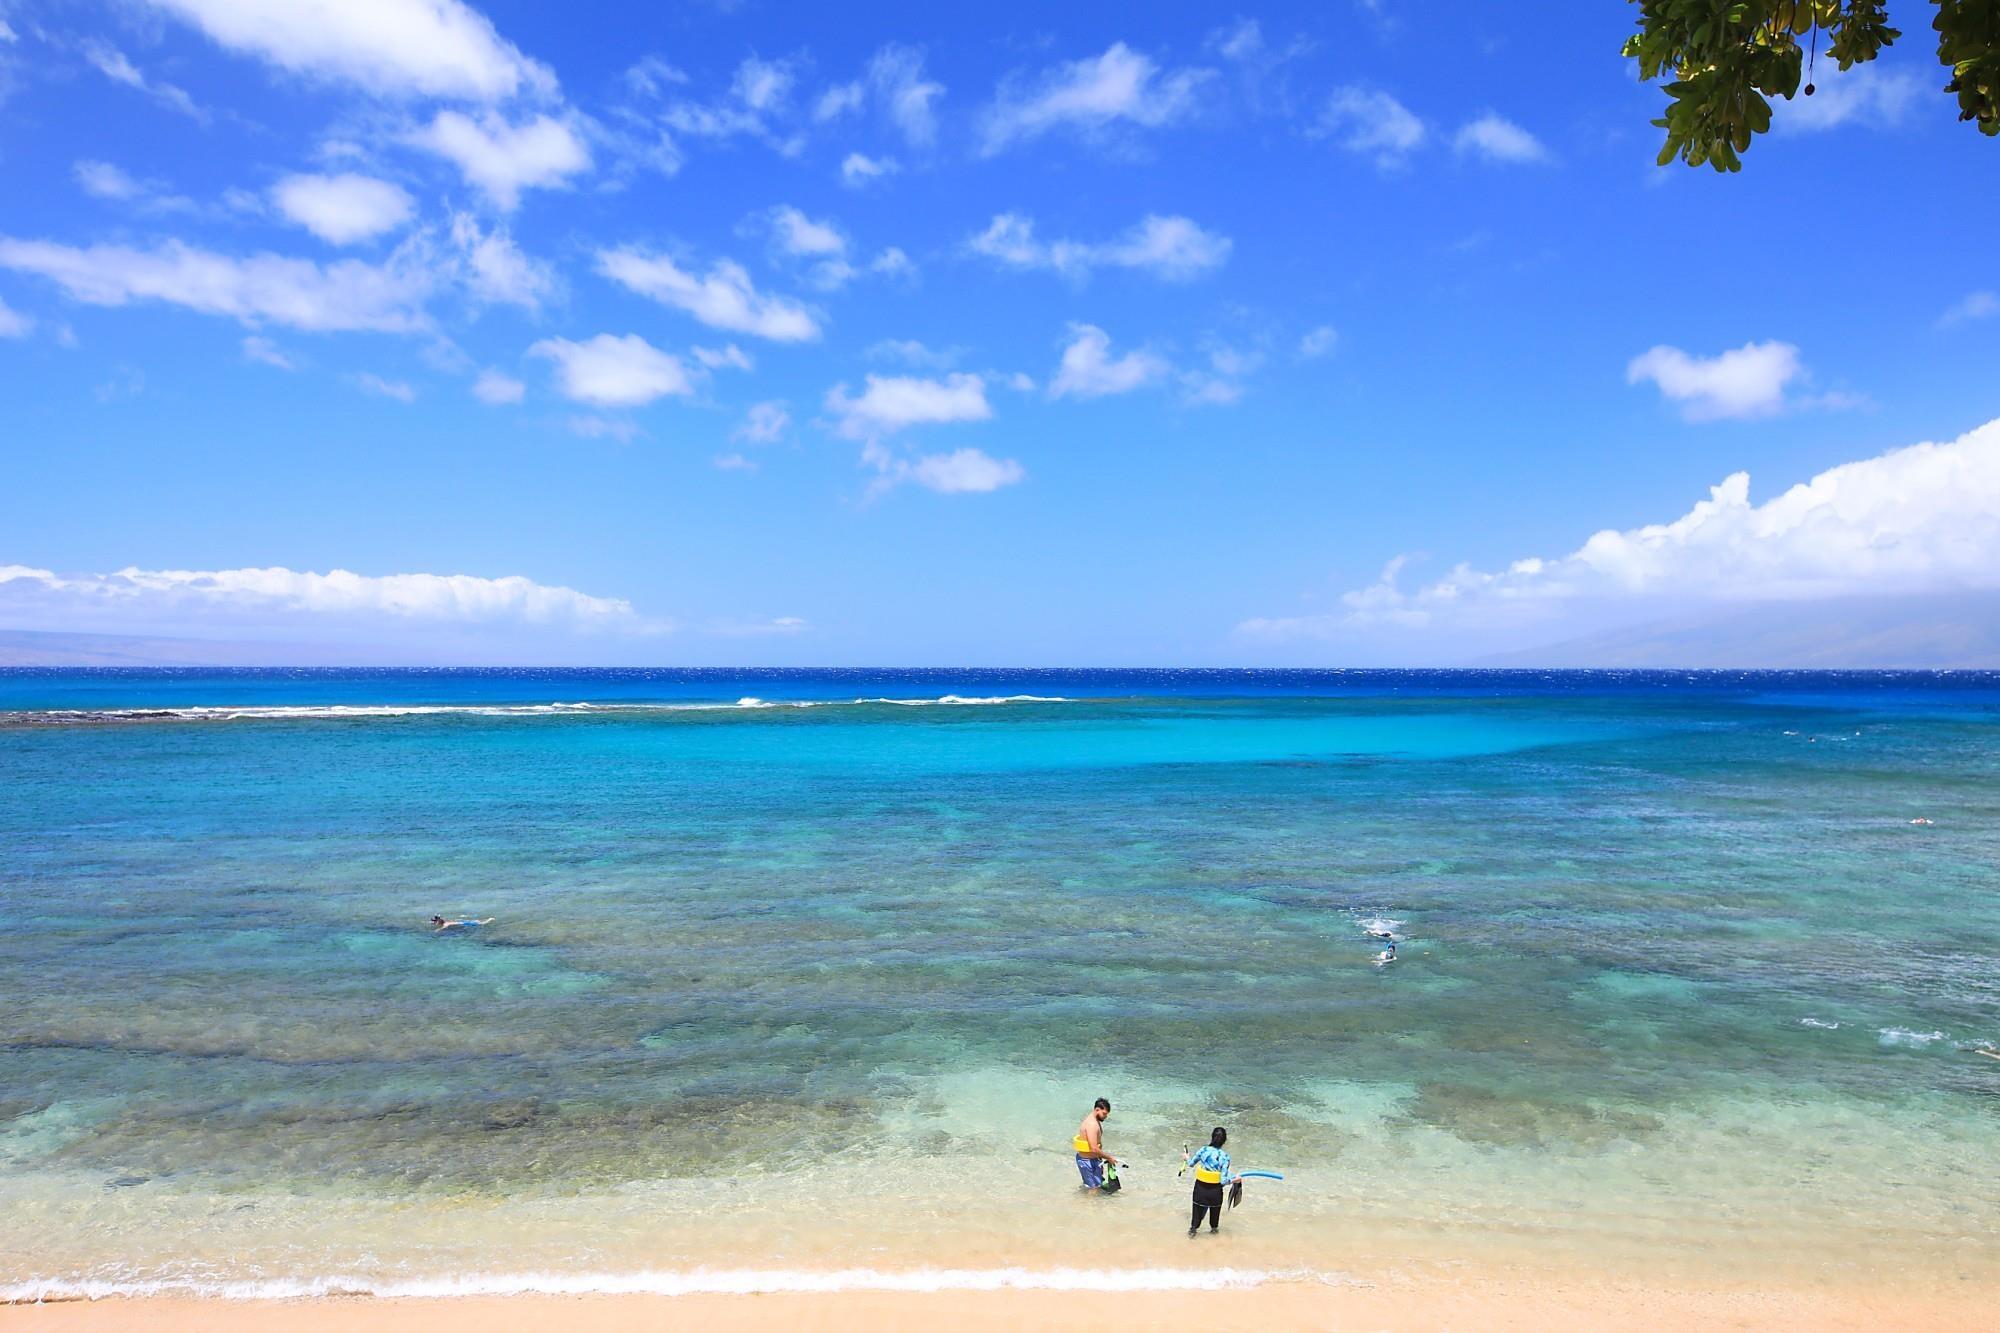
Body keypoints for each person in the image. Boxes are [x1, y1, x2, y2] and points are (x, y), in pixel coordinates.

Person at [1184, 1127, 1233, 1235]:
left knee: (1194, 1225)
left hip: (1200, 1189)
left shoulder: (1203, 1150)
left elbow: (1191, 1164)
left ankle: (1190, 1241)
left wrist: (1186, 1157)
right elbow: (1223, 1181)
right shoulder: (1225, 1157)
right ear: (1224, 1141)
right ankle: (1214, 1245)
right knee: (1214, 1226)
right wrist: (1234, 1180)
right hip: (1215, 1192)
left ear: (1212, 1137)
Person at [1073, 1097, 1120, 1192]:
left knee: (1097, 1186)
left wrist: (1099, 1161)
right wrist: (1109, 1158)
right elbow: (1094, 1148)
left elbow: (1097, 1145)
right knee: (1093, 1189)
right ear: (1097, 1109)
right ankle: (1089, 1205)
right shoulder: (1091, 1125)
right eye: (1104, 1114)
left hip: (1094, 1160)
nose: (1105, 1117)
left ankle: (1091, 1202)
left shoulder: (1095, 1121)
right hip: (1087, 1162)